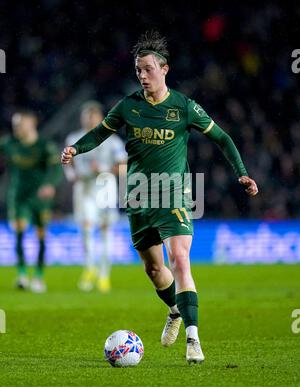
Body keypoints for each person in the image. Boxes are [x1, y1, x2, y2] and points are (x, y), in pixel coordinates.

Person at [61, 31, 258, 364]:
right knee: (155, 269)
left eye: (148, 69)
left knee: (180, 259)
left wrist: (241, 171)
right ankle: (174, 311)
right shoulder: (129, 106)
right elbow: (99, 133)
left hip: (175, 192)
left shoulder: (184, 106)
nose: (142, 75)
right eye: (138, 70)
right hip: (138, 196)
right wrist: (75, 148)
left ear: (164, 69)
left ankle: (194, 341)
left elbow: (222, 138)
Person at [64, 101, 127, 293]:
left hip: (105, 186)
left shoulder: (113, 141)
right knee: (86, 226)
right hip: (84, 187)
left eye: (93, 117)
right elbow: (67, 162)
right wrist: (71, 176)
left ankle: (104, 275)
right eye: (86, 117)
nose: (90, 121)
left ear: (100, 119)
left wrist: (103, 169)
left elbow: (123, 166)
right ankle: (90, 266)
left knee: (106, 230)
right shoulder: (74, 137)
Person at [0, 110, 62, 292]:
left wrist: (50, 184)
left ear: (32, 123)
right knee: (19, 231)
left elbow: (56, 168)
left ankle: (38, 276)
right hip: (18, 196)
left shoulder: (44, 146)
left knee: (41, 236)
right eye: (14, 125)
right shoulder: (9, 144)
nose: (16, 128)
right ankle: (21, 274)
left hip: (39, 197)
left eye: (20, 124)